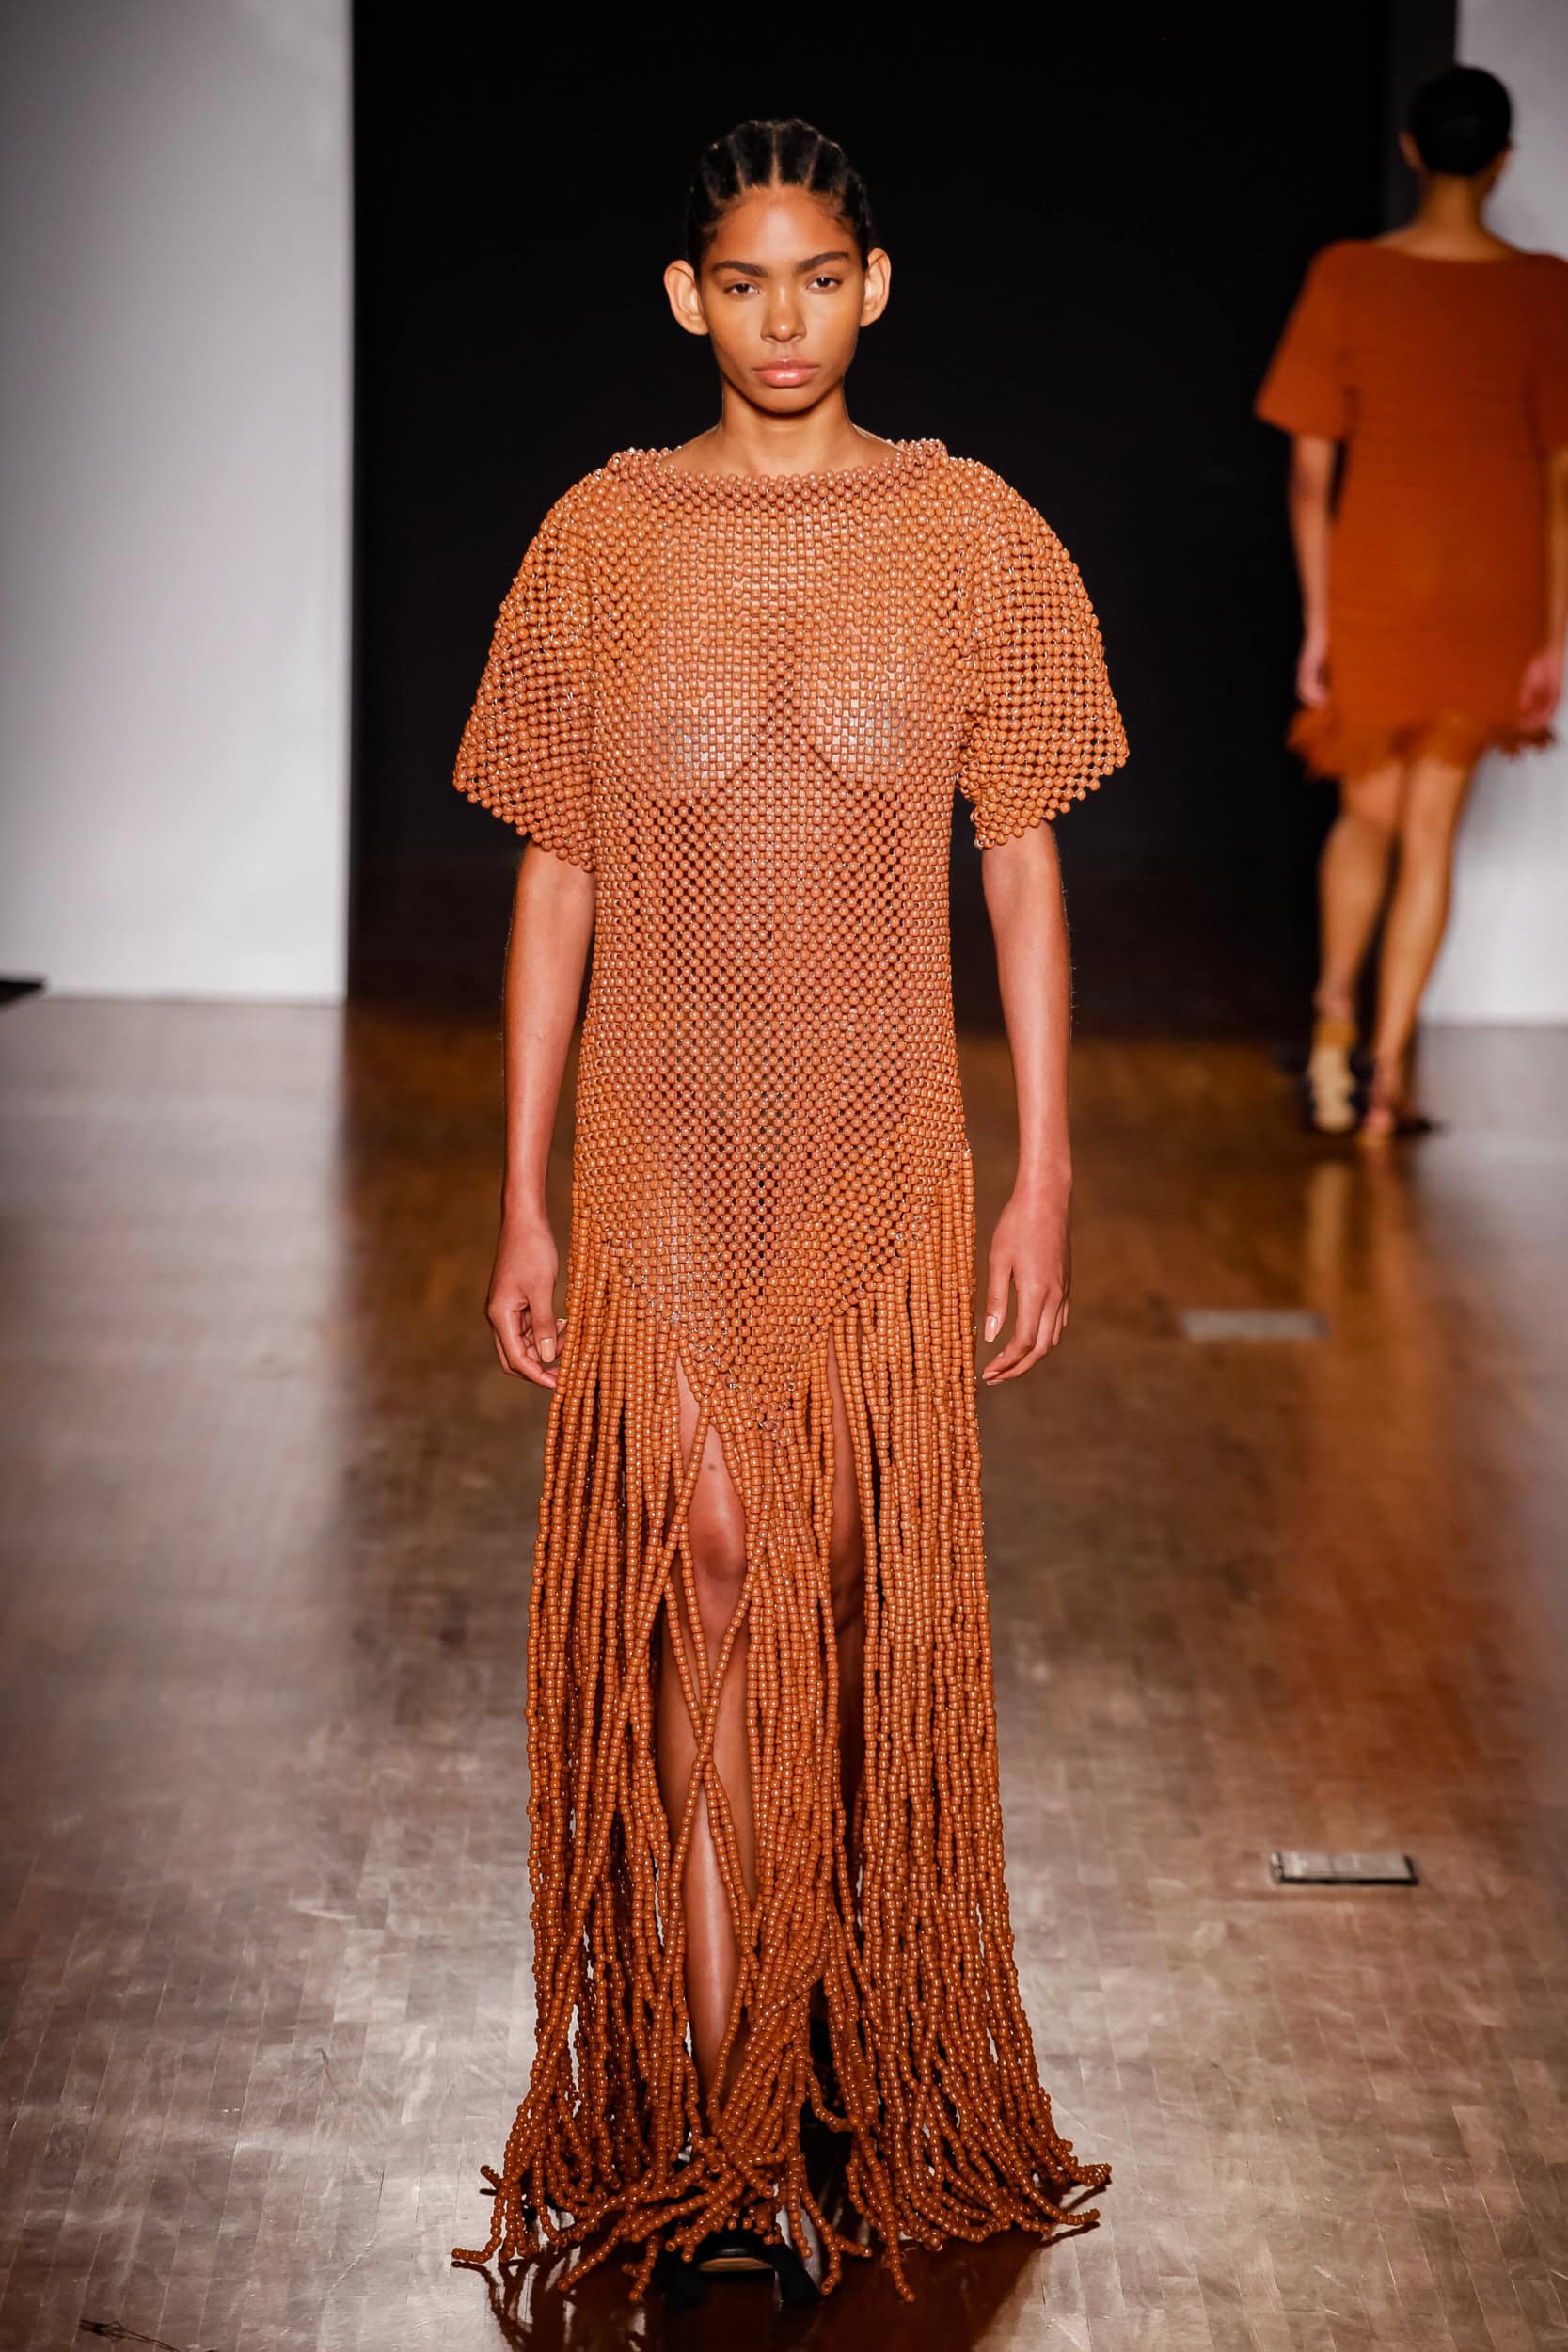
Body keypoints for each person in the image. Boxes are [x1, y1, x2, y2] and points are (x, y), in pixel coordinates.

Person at [449, 119, 1126, 2304]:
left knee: (831, 1601)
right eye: (741, 282)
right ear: (685, 297)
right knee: (706, 1569)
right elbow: (553, 872)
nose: (780, 318)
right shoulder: (598, 539)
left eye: (816, 277)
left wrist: (1046, 1162)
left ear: (875, 283)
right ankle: (721, 2131)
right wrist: (521, 1193)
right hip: (657, 1144)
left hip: (873, 1146)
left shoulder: (970, 533)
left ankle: (812, 2067)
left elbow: (1020, 857)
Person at [1258, 64, 1568, 1138]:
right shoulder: (1545, 289)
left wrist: (1318, 621)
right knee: (1430, 831)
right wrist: (1550, 635)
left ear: (1408, 150)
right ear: (1501, 162)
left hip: (1376, 577)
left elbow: (1309, 474)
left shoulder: (1348, 275)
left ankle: (1331, 1036)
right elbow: (1559, 481)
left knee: (1365, 817)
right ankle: (1388, 1078)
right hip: (1492, 589)